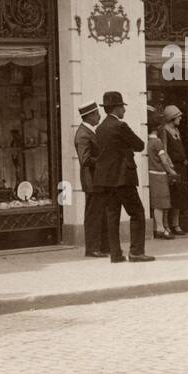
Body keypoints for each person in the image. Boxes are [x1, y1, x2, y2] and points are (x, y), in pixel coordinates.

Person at [95, 91, 153, 262]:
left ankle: (115, 254)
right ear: (116, 108)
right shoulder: (120, 126)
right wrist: (127, 149)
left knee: (112, 215)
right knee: (137, 212)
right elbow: (139, 145)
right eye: (122, 107)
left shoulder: (100, 128)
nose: (124, 111)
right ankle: (136, 252)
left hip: (106, 179)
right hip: (123, 177)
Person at [73, 103, 108, 258]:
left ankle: (101, 246)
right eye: (97, 114)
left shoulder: (88, 132)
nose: (99, 116)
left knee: (100, 213)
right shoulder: (83, 134)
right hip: (92, 180)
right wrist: (104, 160)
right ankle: (92, 248)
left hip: (97, 180)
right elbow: (85, 159)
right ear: (90, 115)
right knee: (93, 214)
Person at [146, 109, 177, 239]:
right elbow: (164, 161)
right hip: (159, 174)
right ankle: (160, 228)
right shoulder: (158, 142)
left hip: (152, 174)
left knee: (158, 203)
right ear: (159, 127)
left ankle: (160, 227)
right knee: (161, 204)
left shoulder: (149, 141)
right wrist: (172, 172)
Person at [160, 105, 188, 235]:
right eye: (178, 116)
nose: (181, 118)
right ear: (172, 118)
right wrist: (169, 168)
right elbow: (165, 151)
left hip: (182, 167)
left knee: (179, 197)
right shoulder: (164, 132)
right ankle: (167, 225)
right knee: (170, 196)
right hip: (173, 168)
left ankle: (176, 224)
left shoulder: (177, 130)